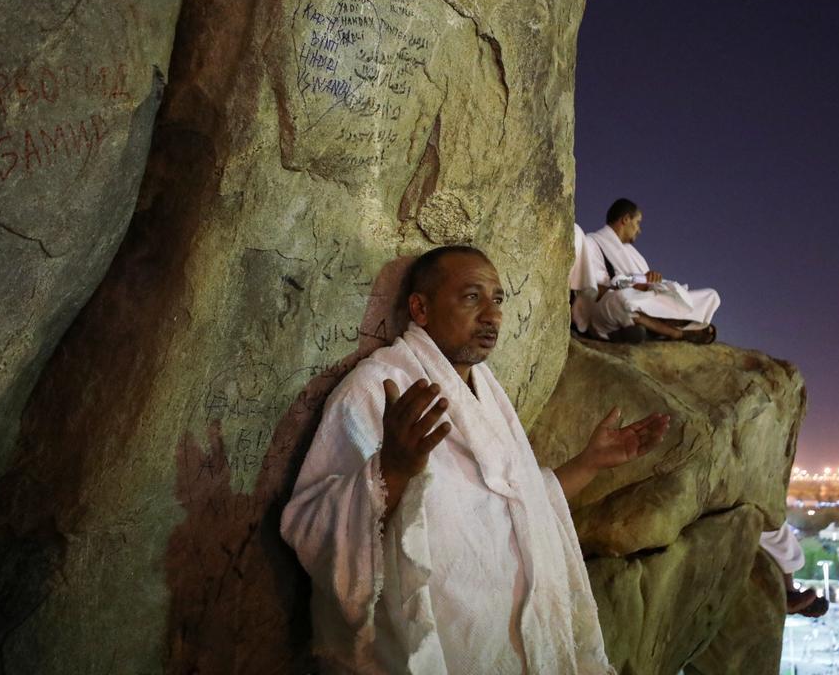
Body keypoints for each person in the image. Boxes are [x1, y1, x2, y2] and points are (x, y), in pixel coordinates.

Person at [281, 245, 670, 674]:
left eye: (498, 299)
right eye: (472, 297)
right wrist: (389, 469)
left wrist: (590, 463)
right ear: (420, 308)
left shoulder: (488, 394)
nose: (492, 315)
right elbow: (311, 529)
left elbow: (514, 509)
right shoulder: (376, 389)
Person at [582, 199, 720, 343]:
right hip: (608, 307)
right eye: (637, 223)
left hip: (639, 300)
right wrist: (633, 287)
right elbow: (591, 290)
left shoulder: (633, 253)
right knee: (622, 300)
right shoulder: (592, 242)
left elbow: (645, 287)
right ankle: (676, 333)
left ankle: (651, 328)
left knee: (710, 296)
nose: (639, 230)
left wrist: (652, 282)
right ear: (626, 219)